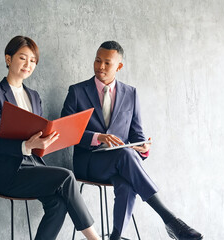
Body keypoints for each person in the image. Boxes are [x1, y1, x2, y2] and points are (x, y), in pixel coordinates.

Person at [61, 41, 203, 240]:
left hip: (121, 163)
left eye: (107, 63)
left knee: (126, 181)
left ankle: (116, 237)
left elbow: (137, 134)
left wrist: (143, 147)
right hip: (89, 162)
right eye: (97, 60)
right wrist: (97, 137)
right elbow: (64, 133)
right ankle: (170, 219)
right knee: (126, 157)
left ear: (118, 66)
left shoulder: (131, 93)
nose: (100, 66)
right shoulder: (77, 92)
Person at [0, 36, 101, 240]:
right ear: (8, 59)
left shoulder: (34, 96)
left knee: (58, 204)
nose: (28, 64)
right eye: (23, 58)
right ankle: (94, 238)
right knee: (67, 176)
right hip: (6, 172)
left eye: (33, 60)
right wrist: (26, 145)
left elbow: (38, 135)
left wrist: (48, 141)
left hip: (32, 166)